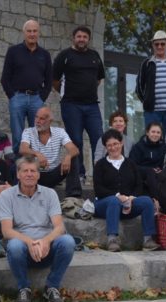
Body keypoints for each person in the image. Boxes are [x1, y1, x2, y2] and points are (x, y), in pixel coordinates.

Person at [0, 156, 76, 302]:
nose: (29, 174)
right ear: (18, 174)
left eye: (33, 171)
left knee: (68, 241)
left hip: (47, 249)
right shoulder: (6, 196)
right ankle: (24, 288)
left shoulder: (50, 194)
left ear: (38, 175)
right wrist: (29, 242)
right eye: (25, 171)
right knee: (14, 246)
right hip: (22, 251)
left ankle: (52, 286)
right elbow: (6, 231)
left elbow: (59, 227)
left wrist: (45, 241)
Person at [53, 25, 105, 183]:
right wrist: (67, 93)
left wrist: (87, 90)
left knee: (99, 139)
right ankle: (79, 175)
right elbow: (54, 80)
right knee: (75, 140)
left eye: (85, 37)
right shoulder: (65, 55)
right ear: (73, 38)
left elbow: (99, 79)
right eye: (79, 37)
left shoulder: (95, 55)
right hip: (71, 105)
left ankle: (100, 174)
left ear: (88, 39)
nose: (81, 39)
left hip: (92, 106)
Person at [93, 130, 160, 252]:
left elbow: (138, 185)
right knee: (114, 201)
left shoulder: (130, 163)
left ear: (121, 143)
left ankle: (148, 239)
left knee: (146, 201)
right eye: (109, 145)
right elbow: (98, 189)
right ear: (105, 147)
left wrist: (131, 198)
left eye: (116, 144)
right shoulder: (100, 165)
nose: (113, 148)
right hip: (105, 204)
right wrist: (118, 196)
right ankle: (112, 239)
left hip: (128, 204)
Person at [1, 19, 52, 155]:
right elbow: (5, 78)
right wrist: (12, 96)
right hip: (18, 98)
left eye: (35, 31)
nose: (32, 34)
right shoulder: (13, 51)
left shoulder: (45, 55)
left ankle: (36, 169)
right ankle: (19, 169)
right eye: (29, 31)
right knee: (18, 136)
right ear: (24, 33)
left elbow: (49, 80)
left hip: (36, 99)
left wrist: (42, 97)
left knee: (37, 135)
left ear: (38, 33)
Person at [19, 106, 82, 197]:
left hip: (54, 174)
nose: (37, 121)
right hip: (35, 174)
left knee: (73, 158)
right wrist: (37, 154)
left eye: (42, 118)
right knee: (18, 161)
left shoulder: (60, 132)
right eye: (36, 117)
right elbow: (22, 149)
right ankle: (18, 194)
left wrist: (68, 157)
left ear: (50, 121)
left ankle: (73, 197)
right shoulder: (28, 131)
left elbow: (74, 149)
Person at [135, 30, 166, 134]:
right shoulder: (146, 63)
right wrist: (146, 100)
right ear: (152, 45)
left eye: (162, 44)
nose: (159, 47)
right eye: (156, 44)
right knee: (151, 139)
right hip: (152, 111)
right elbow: (139, 87)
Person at [128, 122, 166, 200]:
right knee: (150, 172)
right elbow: (132, 165)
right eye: (153, 132)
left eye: (158, 132)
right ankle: (157, 200)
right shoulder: (138, 146)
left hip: (157, 173)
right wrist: (149, 169)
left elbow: (163, 162)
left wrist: (159, 169)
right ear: (147, 133)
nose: (155, 134)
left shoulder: (163, 146)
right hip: (141, 174)